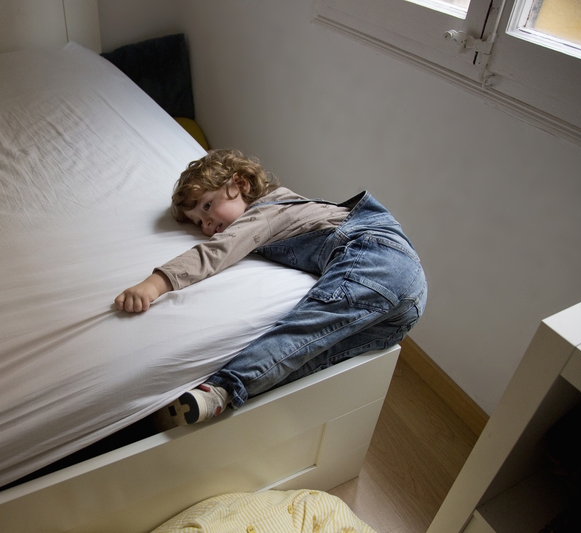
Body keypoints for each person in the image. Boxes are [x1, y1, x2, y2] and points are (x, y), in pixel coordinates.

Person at [115, 149, 426, 428]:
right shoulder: (281, 208)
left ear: (241, 185)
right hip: (405, 304)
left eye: (208, 206)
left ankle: (224, 386)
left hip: (378, 257)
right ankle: (220, 410)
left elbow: (218, 251)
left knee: (304, 330)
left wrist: (156, 283)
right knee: (312, 355)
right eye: (199, 222)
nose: (207, 225)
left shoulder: (266, 210)